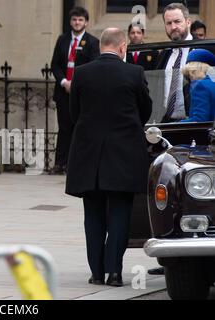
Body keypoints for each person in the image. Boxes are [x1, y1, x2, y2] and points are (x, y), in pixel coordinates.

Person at [65, 28, 152, 286]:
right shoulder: (134, 73)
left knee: (92, 215)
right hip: (123, 155)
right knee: (119, 214)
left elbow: (74, 114)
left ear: (101, 45)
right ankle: (114, 272)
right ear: (123, 47)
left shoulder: (81, 73)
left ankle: (96, 272)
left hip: (89, 155)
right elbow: (145, 111)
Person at [50, 6, 100, 175]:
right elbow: (55, 65)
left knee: (81, 129)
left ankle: (77, 164)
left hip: (82, 94)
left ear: (86, 22)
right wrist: (64, 82)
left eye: (80, 20)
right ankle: (60, 163)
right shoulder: (62, 40)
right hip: (63, 92)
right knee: (64, 129)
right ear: (70, 21)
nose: (77, 22)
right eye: (74, 19)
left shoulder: (92, 42)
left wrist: (76, 83)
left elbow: (92, 66)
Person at [156, 3, 193, 123]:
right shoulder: (164, 54)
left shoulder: (203, 50)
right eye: (169, 23)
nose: (173, 27)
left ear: (188, 22)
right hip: (165, 123)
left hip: (194, 123)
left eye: (177, 21)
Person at [181, 49, 215, 123]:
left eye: (189, 74)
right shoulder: (212, 84)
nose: (190, 79)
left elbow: (199, 120)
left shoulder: (201, 86)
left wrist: (175, 124)